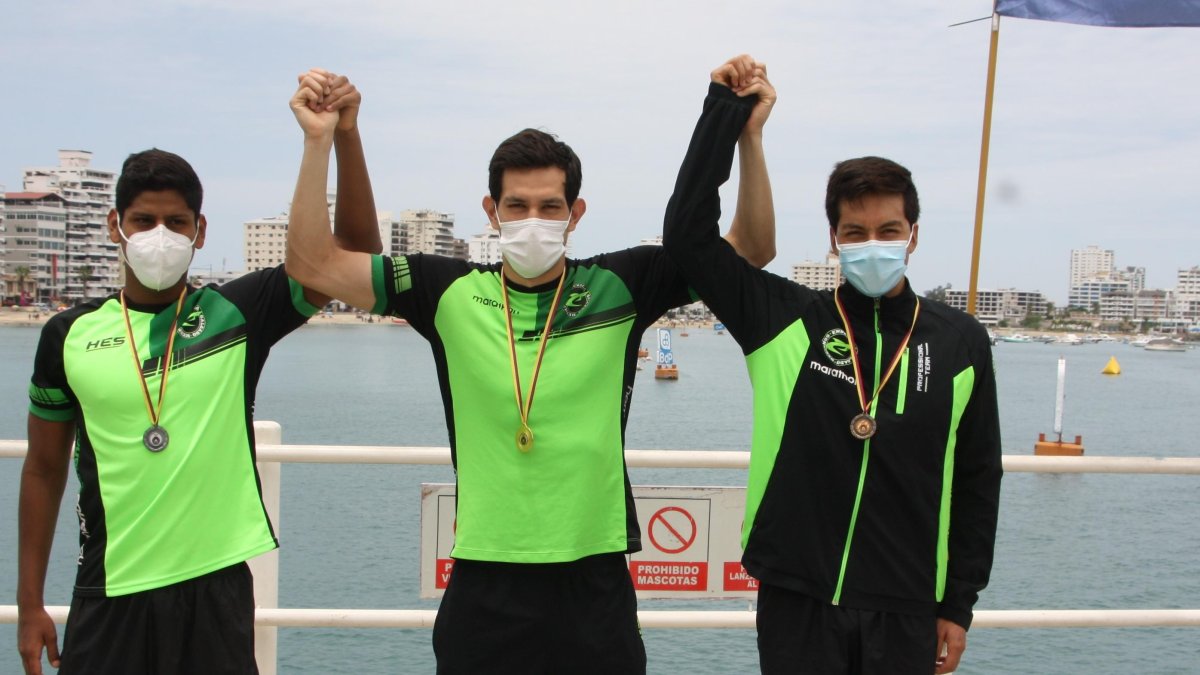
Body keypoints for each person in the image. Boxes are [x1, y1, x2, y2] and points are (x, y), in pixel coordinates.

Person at [283, 58, 776, 674]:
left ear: (577, 212)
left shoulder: (623, 283)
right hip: (484, 576)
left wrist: (748, 137)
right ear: (491, 211)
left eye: (551, 206)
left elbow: (750, 249)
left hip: (593, 577)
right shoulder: (447, 290)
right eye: (517, 206)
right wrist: (318, 141)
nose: (534, 221)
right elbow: (313, 265)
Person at [16, 71, 381, 675]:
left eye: (177, 223)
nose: (160, 236)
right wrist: (30, 604)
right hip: (110, 588)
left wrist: (340, 136)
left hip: (215, 592)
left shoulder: (235, 313)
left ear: (199, 231)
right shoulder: (67, 336)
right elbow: (44, 468)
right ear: (116, 227)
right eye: (143, 221)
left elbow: (355, 254)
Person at [662, 61, 1003, 675]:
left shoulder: (960, 342)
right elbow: (688, 237)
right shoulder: (782, 317)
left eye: (888, 230)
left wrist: (959, 604)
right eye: (856, 231)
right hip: (798, 596)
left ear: (914, 236)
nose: (873, 243)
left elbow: (979, 481)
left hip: (907, 607)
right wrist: (731, 118)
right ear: (834, 241)